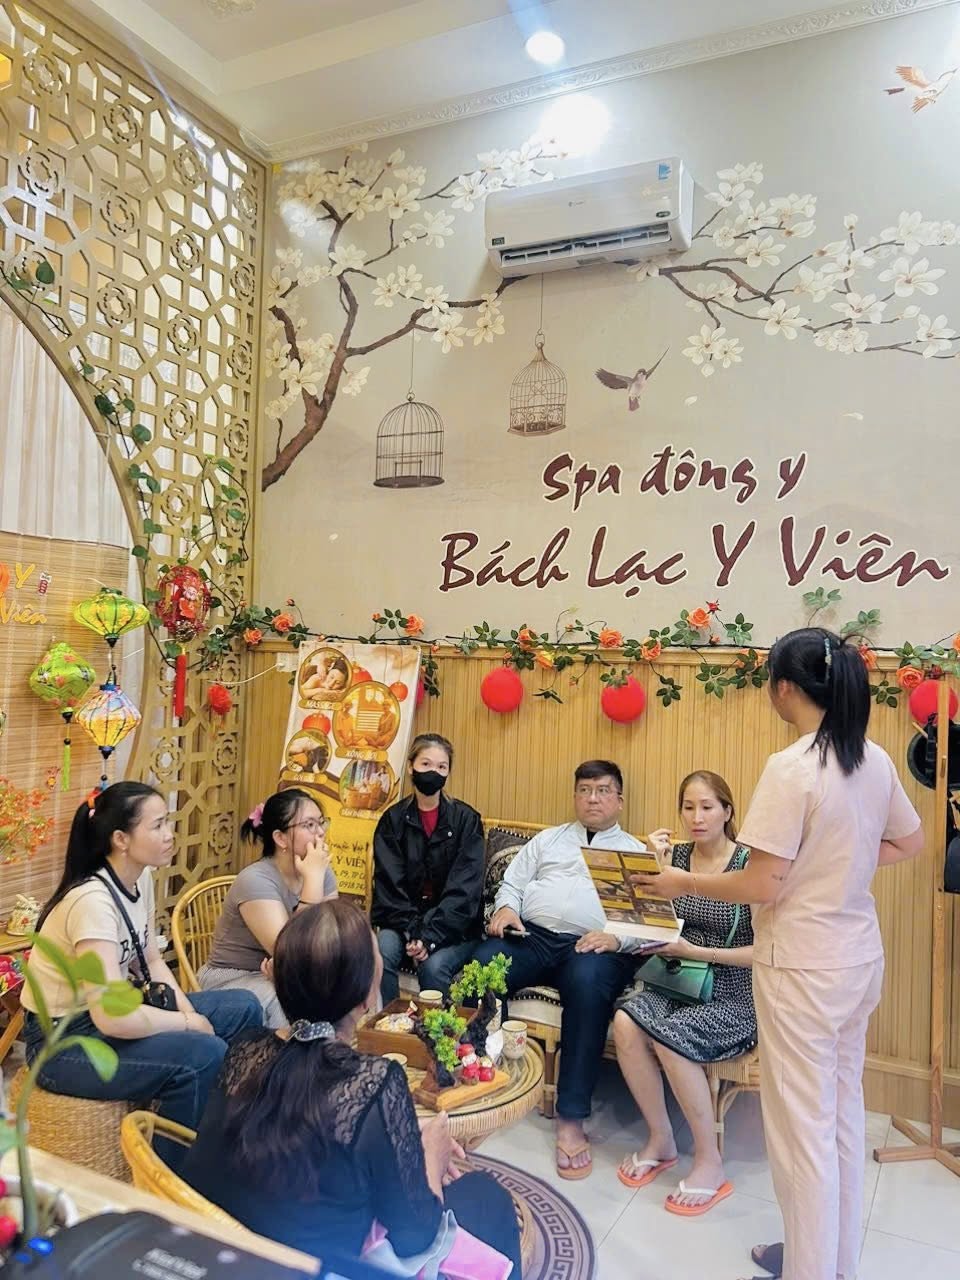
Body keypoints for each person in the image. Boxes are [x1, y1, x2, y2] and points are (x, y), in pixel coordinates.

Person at [632, 629, 923, 1280]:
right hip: (857, 960)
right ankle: (832, 1262)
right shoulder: (873, 759)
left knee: (802, 1135)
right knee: (841, 1116)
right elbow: (910, 842)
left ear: (785, 688)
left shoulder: (792, 767)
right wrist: (837, 867)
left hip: (803, 969)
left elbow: (761, 883)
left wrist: (683, 882)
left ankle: (809, 1270)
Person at [182, 901, 522, 1275]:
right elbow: (416, 1237)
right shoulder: (374, 1082)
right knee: (487, 1197)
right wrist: (431, 1157)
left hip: (223, 1255)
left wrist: (402, 1137)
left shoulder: (244, 1050)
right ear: (366, 999)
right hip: (313, 1269)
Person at [20, 782, 262, 1167]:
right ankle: (168, 1177)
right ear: (121, 839)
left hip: (110, 1014)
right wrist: (187, 1024)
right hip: (64, 1042)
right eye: (158, 825)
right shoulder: (92, 902)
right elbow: (111, 1016)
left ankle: (219, 1134)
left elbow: (151, 961)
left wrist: (189, 1015)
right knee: (203, 1055)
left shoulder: (140, 878)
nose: (170, 834)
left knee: (244, 1007)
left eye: (168, 822)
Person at [472, 759, 648, 1180]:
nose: (592, 798)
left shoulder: (635, 853)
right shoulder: (548, 840)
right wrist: (506, 908)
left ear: (620, 800)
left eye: (602, 790)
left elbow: (645, 920)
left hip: (594, 947)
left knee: (588, 988)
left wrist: (616, 940)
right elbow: (512, 883)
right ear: (574, 796)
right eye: (584, 790)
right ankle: (478, 1074)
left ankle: (570, 1117)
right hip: (533, 937)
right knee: (483, 967)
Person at [614, 770, 755, 1216]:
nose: (697, 817)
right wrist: (652, 871)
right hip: (678, 977)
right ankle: (661, 1139)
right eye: (689, 808)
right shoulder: (675, 858)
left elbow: (767, 951)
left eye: (707, 807)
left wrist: (699, 951)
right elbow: (654, 928)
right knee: (625, 1021)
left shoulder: (750, 865)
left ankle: (710, 1162)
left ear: (727, 811)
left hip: (734, 988)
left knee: (670, 1037)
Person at [199, 788, 338, 1028]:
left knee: (353, 981)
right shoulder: (255, 879)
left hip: (291, 974)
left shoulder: (321, 872)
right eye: (309, 825)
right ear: (280, 838)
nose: (320, 832)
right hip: (236, 976)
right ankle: (289, 1054)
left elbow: (333, 937)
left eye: (321, 822)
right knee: (286, 1001)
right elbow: (291, 953)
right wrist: (313, 879)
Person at [372, 734, 484, 1002]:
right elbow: (390, 887)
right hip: (401, 923)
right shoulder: (392, 821)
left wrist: (429, 936)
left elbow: (464, 891)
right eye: (426, 764)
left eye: (441, 766)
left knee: (433, 967)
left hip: (454, 927)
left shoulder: (467, 821)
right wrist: (413, 931)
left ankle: (438, 1029)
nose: (433, 772)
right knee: (381, 953)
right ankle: (392, 1023)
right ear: (411, 767)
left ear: (448, 772)